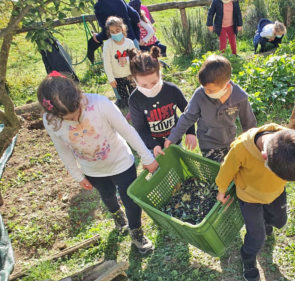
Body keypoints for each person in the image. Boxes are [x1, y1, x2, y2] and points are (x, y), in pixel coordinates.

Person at [37, 72, 158, 254]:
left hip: (121, 162)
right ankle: (117, 215)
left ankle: (136, 232)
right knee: (108, 196)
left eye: (76, 113)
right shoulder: (51, 121)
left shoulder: (100, 104)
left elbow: (127, 131)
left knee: (131, 200)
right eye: (68, 118)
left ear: (79, 96)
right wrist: (77, 175)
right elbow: (63, 150)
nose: (73, 120)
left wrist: (147, 158)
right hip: (93, 170)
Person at [215, 124, 295, 281]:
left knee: (279, 220)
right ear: (264, 157)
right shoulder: (241, 149)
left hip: (276, 193)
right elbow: (226, 169)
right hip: (249, 197)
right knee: (257, 236)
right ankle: (248, 257)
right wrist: (221, 190)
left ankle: (267, 223)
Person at [164, 55, 257, 162]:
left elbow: (249, 122)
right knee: (216, 170)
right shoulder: (200, 94)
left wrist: (251, 143)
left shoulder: (240, 97)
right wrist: (173, 137)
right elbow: (187, 117)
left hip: (230, 140)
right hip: (208, 143)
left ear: (226, 86)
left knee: (233, 168)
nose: (207, 92)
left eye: (211, 90)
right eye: (204, 88)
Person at [128, 47, 196, 157]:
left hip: (175, 141)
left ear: (160, 74)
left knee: (179, 165)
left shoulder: (172, 90)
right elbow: (140, 128)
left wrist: (190, 132)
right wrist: (154, 145)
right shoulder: (135, 100)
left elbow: (188, 111)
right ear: (135, 80)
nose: (150, 88)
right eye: (143, 85)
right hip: (153, 147)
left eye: (154, 82)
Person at [87, 0, 140, 64]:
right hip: (132, 41)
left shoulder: (99, 6)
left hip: (116, 46)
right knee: (140, 69)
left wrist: (96, 38)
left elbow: (106, 32)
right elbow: (135, 17)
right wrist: (133, 33)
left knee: (122, 72)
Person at [103, 16, 136, 109]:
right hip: (117, 77)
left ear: (122, 29)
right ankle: (126, 109)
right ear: (109, 32)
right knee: (124, 97)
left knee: (134, 95)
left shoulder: (129, 43)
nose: (115, 33)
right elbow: (107, 62)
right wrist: (111, 78)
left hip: (130, 74)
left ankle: (135, 109)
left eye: (117, 30)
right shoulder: (108, 44)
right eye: (112, 32)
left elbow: (135, 58)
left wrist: (127, 59)